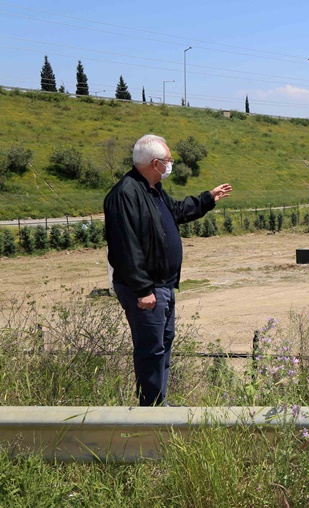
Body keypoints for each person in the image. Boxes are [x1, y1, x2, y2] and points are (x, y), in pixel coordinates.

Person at [104, 134, 231, 406]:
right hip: (147, 289)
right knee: (151, 349)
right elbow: (126, 248)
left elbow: (177, 211)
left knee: (162, 345)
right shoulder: (125, 194)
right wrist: (142, 289)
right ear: (155, 163)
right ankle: (150, 411)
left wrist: (207, 198)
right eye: (168, 161)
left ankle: (159, 404)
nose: (170, 165)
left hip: (162, 284)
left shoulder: (153, 189)